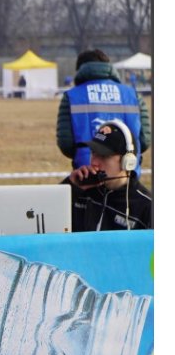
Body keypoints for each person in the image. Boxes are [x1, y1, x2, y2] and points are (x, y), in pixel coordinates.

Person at [56, 49, 150, 177]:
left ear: (80, 70)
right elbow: (144, 141)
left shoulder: (71, 96)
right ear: (108, 67)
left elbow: (66, 144)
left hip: (87, 174)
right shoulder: (133, 95)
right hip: (127, 173)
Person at [62, 120, 152, 231]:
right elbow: (47, 217)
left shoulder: (146, 207)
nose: (94, 162)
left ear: (127, 162)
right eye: (93, 153)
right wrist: (70, 186)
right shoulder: (82, 191)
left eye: (103, 156)